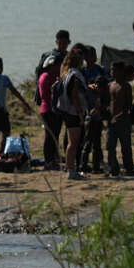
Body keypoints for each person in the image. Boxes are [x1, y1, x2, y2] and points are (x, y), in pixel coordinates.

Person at [56, 47, 88, 180]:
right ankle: (71, 170)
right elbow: (75, 95)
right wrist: (80, 113)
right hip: (73, 112)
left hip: (66, 111)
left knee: (71, 142)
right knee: (73, 143)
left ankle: (70, 169)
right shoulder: (75, 75)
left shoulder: (66, 73)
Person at [79, 45, 109, 174]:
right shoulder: (82, 72)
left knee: (96, 141)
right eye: (88, 55)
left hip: (99, 110)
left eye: (93, 55)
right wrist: (87, 86)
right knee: (87, 141)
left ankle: (96, 165)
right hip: (87, 111)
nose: (91, 58)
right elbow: (79, 88)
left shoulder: (100, 70)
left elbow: (108, 84)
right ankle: (83, 164)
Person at [106, 62, 134, 177]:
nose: (112, 72)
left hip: (123, 121)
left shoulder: (125, 86)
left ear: (121, 71)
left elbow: (128, 106)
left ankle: (129, 168)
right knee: (110, 146)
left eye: (114, 70)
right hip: (111, 121)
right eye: (111, 70)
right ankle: (114, 168)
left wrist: (119, 116)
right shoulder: (111, 85)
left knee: (125, 146)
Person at [37, 55, 62, 169]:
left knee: (54, 135)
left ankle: (53, 159)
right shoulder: (46, 77)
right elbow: (45, 95)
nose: (58, 68)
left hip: (53, 110)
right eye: (56, 66)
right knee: (50, 136)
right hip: (48, 110)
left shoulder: (53, 76)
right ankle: (48, 160)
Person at [34, 29, 71, 104]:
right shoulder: (48, 56)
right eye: (60, 43)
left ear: (69, 43)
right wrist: (39, 93)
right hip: (48, 92)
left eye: (65, 43)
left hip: (63, 92)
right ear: (56, 42)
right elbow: (39, 74)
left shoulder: (69, 57)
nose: (62, 45)